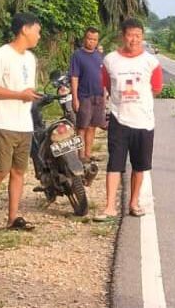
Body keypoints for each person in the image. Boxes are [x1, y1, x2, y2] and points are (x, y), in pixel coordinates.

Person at [95, 18, 164, 221]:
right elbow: (106, 85)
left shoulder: (151, 62)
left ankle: (134, 203)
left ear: (142, 37)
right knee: (114, 164)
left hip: (144, 121)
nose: (134, 40)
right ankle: (109, 207)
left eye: (138, 36)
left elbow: (157, 88)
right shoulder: (110, 60)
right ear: (122, 36)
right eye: (130, 35)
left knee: (140, 166)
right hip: (119, 119)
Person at [0, 13, 42, 232]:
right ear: (25, 29)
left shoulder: (30, 59)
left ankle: (13, 217)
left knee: (18, 171)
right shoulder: (1, 55)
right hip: (2, 121)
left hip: (24, 123)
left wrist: (31, 95)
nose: (39, 36)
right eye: (37, 31)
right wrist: (19, 95)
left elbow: (26, 88)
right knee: (0, 170)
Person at [69, 26, 106, 166]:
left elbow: (104, 76)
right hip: (84, 96)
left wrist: (105, 94)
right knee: (82, 127)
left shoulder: (99, 56)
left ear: (97, 41)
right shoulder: (77, 55)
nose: (91, 42)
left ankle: (89, 154)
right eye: (89, 39)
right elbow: (74, 77)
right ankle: (80, 155)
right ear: (85, 38)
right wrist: (75, 98)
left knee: (93, 126)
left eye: (94, 39)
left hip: (99, 96)